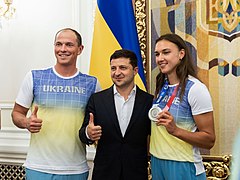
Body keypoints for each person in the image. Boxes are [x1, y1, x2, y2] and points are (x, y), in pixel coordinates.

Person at [11, 28, 101, 180]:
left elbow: (95, 123)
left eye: (69, 45)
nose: (63, 49)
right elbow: (16, 114)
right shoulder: (34, 77)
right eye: (58, 44)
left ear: (80, 49)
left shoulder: (92, 83)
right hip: (38, 167)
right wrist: (26, 122)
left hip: (75, 169)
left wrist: (92, 132)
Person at [79, 49, 153, 180]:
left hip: (136, 173)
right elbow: (83, 134)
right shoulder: (97, 100)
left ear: (135, 71)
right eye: (113, 68)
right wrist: (88, 133)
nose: (117, 73)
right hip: (105, 173)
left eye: (123, 68)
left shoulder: (149, 101)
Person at [149, 33, 215, 180]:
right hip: (157, 161)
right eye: (157, 54)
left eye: (166, 52)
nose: (160, 58)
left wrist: (175, 130)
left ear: (181, 54)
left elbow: (209, 139)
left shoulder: (196, 89)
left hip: (183, 164)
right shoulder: (161, 85)